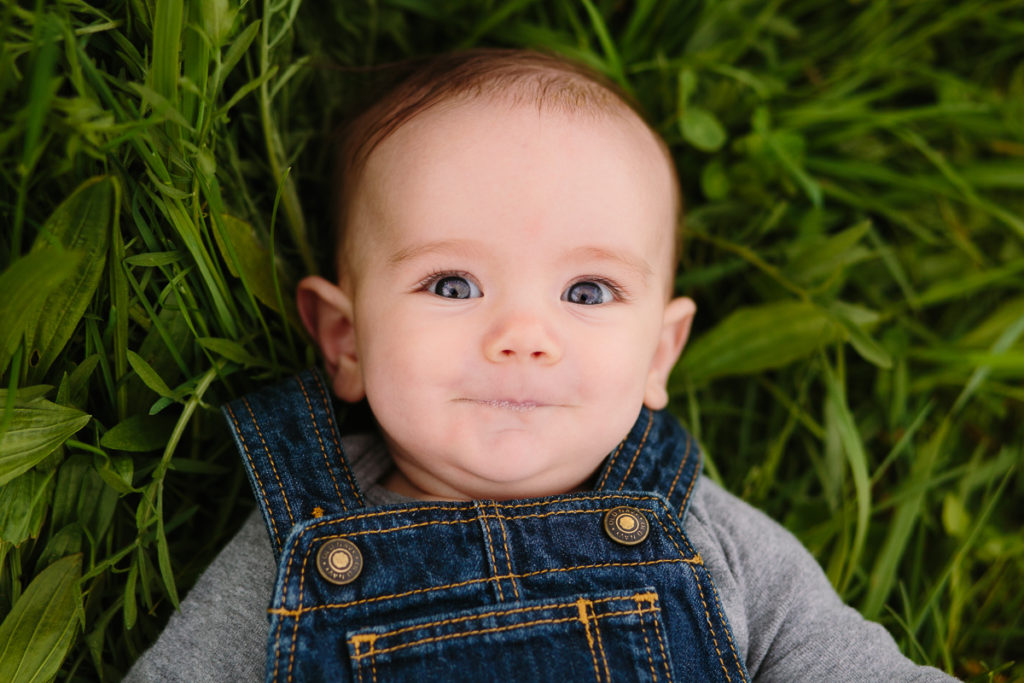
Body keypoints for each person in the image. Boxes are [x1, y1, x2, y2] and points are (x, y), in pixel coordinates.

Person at [126, 49, 957, 682]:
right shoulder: (300, 539)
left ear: (658, 356)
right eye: (453, 284)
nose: (524, 335)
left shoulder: (704, 530)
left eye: (588, 291)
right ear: (345, 340)